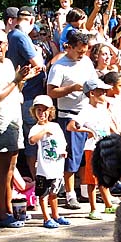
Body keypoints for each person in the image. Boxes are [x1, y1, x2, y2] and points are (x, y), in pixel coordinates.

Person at [0, 29, 34, 228]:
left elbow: (13, 90)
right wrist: (17, 80)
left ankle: (10, 209)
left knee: (12, 168)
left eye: (1, 43)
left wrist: (23, 78)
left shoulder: (10, 64)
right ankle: (2, 214)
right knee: (1, 169)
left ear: (7, 45)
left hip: (13, 119)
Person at [47, 29, 98, 210]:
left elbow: (93, 82)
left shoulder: (86, 62)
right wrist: (71, 88)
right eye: (79, 51)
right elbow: (51, 91)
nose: (82, 55)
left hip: (86, 112)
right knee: (71, 157)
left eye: (85, 51)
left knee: (87, 154)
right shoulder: (59, 66)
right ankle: (70, 194)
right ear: (69, 47)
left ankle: (86, 191)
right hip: (68, 114)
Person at [67, 78, 117, 219]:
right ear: (92, 93)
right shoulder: (86, 110)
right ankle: (93, 209)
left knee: (104, 177)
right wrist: (87, 131)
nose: (104, 93)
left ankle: (108, 205)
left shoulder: (102, 108)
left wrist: (117, 135)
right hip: (92, 149)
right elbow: (71, 126)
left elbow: (108, 126)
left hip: (105, 147)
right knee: (91, 180)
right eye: (101, 91)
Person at [6, 8, 46, 178]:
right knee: (34, 138)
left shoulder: (11, 36)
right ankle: (38, 181)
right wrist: (38, 52)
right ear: (31, 21)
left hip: (24, 94)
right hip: (30, 96)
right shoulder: (21, 37)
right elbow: (39, 64)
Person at [27, 95, 71, 230]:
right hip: (43, 169)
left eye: (45, 110)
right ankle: (46, 218)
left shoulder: (55, 126)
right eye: (39, 110)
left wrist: (63, 151)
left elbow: (62, 142)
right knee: (43, 194)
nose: (42, 113)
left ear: (50, 111)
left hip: (56, 167)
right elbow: (32, 140)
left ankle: (56, 215)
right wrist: (44, 130)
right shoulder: (36, 128)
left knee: (54, 193)